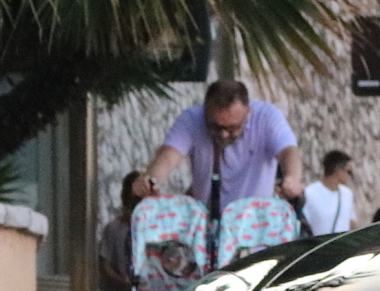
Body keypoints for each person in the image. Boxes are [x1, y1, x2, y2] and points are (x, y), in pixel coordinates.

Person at [138, 78, 303, 208]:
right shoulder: (191, 118)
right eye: (215, 126)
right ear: (205, 110)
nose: (223, 134)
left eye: (233, 128)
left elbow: (288, 151)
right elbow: (168, 155)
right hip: (208, 226)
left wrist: (292, 178)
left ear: (248, 112)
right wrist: (152, 180)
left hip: (255, 227)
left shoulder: (268, 117)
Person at [301, 151, 357, 235]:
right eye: (348, 172)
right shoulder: (309, 193)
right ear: (339, 171)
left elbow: (351, 222)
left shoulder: (347, 194)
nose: (350, 176)